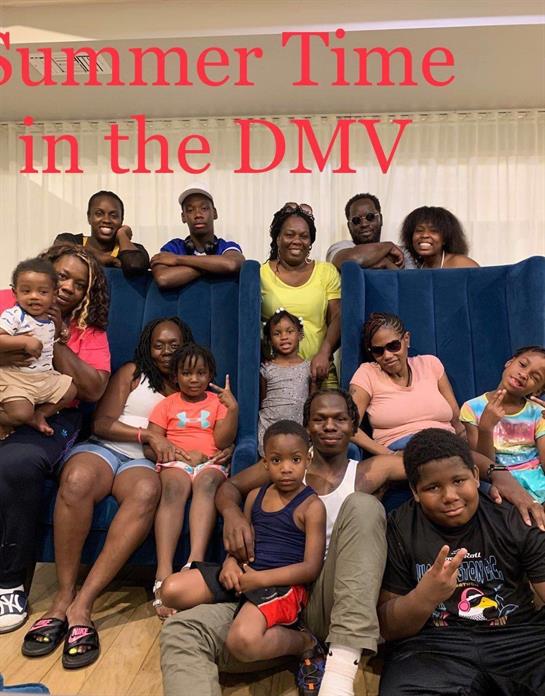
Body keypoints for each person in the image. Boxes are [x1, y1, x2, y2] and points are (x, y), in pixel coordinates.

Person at [161, 389, 387, 696]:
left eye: (340, 419)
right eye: (319, 419)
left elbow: (421, 463)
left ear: (353, 426)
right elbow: (230, 488)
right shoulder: (278, 466)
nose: (329, 426)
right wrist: (233, 519)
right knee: (179, 629)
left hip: (319, 596)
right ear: (306, 426)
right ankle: (294, 647)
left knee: (364, 506)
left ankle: (338, 669)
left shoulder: (366, 472)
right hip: (258, 589)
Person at [20, 317, 193, 667]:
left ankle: (83, 604)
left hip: (144, 463)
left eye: (173, 345)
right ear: (148, 347)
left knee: (146, 491)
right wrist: (147, 434)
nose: (165, 352)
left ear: (185, 345)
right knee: (76, 480)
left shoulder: (193, 381)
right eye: (158, 345)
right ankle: (62, 598)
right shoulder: (133, 373)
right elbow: (101, 422)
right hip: (105, 448)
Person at [378, 428, 545, 696]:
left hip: (519, 638)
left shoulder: (512, 517)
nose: (450, 496)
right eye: (433, 487)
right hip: (435, 647)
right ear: (415, 491)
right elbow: (389, 628)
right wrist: (424, 597)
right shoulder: (400, 527)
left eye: (458, 481)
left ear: (476, 476)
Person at [0, 244, 110, 634]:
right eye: (62, 276)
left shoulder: (88, 331)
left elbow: (93, 389)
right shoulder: (8, 303)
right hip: (5, 393)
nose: (67, 288)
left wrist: (56, 336)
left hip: (56, 412)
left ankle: (9, 583)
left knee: (17, 462)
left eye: (78, 285)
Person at [159, 420, 326, 668]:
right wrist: (230, 563)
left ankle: (304, 642)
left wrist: (259, 580)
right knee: (170, 590)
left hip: (281, 585)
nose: (286, 468)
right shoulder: (254, 497)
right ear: (265, 463)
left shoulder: (312, 507)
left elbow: (310, 569)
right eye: (277, 460)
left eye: (295, 460)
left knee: (242, 641)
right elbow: (241, 544)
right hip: (245, 576)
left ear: (308, 460)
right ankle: (240, 608)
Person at [148, 343, 239, 617]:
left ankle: (194, 564)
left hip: (209, 462)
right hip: (176, 461)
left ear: (210, 375)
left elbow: (222, 441)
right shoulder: (166, 404)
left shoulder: (218, 403)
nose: (194, 379)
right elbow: (153, 441)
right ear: (176, 376)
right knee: (173, 489)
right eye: (186, 373)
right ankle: (163, 570)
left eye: (201, 373)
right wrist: (177, 453)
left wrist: (232, 409)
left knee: (207, 484)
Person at [349, 312, 462, 457]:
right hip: (402, 452)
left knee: (487, 465)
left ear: (406, 339)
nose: (387, 356)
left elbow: (456, 421)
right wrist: (389, 455)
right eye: (378, 351)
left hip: (447, 445)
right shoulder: (367, 373)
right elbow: (348, 425)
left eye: (393, 346)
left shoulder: (430, 364)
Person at [261, 205, 341, 388]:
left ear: (310, 241)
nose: (297, 241)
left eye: (304, 236)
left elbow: (337, 317)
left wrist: (324, 352)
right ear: (277, 238)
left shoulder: (326, 271)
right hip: (278, 379)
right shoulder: (260, 274)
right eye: (289, 235)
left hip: (320, 373)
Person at [0, 257, 76, 438]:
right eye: (26, 291)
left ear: (54, 294)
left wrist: (62, 332)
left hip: (43, 376)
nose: (34, 296)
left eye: (43, 292)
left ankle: (39, 415)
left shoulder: (51, 316)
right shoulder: (14, 315)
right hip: (15, 377)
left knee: (70, 390)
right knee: (20, 414)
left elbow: (52, 336)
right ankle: (8, 418)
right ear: (15, 292)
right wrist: (24, 342)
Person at [461, 345, 545, 503]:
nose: (523, 375)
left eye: (535, 377)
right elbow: (482, 465)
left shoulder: (538, 413)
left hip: (539, 486)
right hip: (499, 484)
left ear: (537, 391)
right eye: (522, 364)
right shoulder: (472, 408)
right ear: (509, 362)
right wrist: (486, 428)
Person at [151, 186, 245, 289]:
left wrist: (177, 259)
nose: (198, 215)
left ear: (214, 213)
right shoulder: (174, 247)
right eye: (190, 210)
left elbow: (232, 264)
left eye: (204, 208)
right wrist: (214, 266)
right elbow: (163, 278)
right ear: (183, 217)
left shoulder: (226, 246)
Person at [54, 190, 150, 275]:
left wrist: (122, 235)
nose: (106, 220)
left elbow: (134, 265)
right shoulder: (69, 240)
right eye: (99, 214)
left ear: (121, 220)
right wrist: (102, 258)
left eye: (114, 216)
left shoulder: (134, 250)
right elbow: (62, 250)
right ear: (89, 217)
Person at [258, 309, 312, 456]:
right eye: (277, 333)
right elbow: (263, 400)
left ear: (300, 335)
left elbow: (312, 401)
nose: (284, 337)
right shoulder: (266, 368)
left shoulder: (309, 367)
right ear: (270, 339)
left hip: (298, 429)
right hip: (270, 427)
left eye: (290, 331)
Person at [326, 193, 412, 270]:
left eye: (370, 217)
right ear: (349, 226)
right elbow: (352, 261)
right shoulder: (339, 248)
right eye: (356, 220)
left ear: (381, 219)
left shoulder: (401, 252)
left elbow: (409, 281)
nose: (364, 224)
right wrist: (388, 246)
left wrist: (385, 263)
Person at [400, 205, 479, 269]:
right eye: (419, 230)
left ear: (445, 238)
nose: (425, 235)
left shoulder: (461, 264)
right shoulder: (413, 266)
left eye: (433, 231)